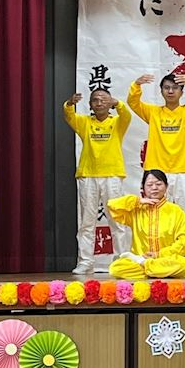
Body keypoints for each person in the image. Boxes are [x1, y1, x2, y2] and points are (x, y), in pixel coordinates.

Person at [128, 71, 185, 276]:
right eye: (166, 88)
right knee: (155, 218)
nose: (171, 91)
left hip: (184, 171)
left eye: (175, 88)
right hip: (158, 172)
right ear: (161, 91)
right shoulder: (153, 112)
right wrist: (136, 85)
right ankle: (157, 259)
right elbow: (133, 102)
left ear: (182, 91)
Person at [63, 85, 131, 275]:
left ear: (110, 103)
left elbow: (126, 115)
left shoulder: (117, 122)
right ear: (90, 104)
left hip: (112, 175)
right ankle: (86, 261)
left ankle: (121, 260)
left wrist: (117, 103)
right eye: (95, 100)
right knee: (87, 222)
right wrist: (69, 103)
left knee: (117, 221)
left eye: (103, 99)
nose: (99, 103)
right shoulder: (84, 122)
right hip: (88, 176)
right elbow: (69, 116)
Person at [106, 170, 185, 279]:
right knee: (115, 268)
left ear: (166, 186)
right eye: (150, 185)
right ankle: (156, 270)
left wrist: (158, 255)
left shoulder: (176, 211)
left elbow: (184, 243)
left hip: (166, 259)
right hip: (142, 257)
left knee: (184, 265)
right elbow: (112, 206)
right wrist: (137, 201)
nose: (154, 188)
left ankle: (146, 266)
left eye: (159, 184)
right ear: (143, 188)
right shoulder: (136, 210)